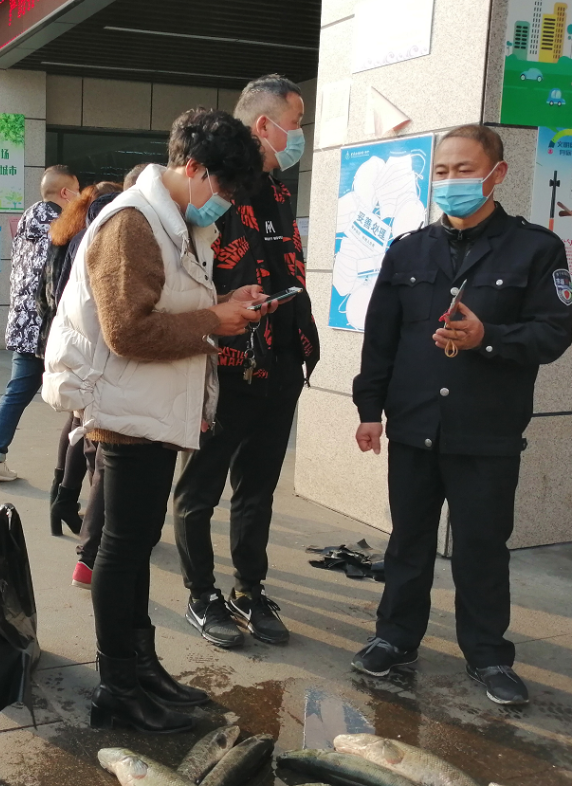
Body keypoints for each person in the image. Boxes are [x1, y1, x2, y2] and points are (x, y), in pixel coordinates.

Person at [44, 108, 268, 733]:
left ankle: (141, 670)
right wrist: (215, 320)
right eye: (223, 187)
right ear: (193, 167)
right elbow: (128, 330)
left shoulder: (173, 221)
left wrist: (223, 304)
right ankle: (118, 687)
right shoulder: (133, 222)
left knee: (135, 544)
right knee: (122, 548)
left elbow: (168, 304)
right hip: (128, 412)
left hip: (150, 407)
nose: (225, 202)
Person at [352, 125, 572, 706]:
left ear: (497, 174)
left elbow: (554, 332)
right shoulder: (408, 249)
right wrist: (369, 409)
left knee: (482, 547)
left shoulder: (537, 249)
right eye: (442, 171)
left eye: (465, 170)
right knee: (408, 541)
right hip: (414, 424)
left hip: (487, 429)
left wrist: (487, 337)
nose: (451, 181)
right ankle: (394, 637)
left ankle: (488, 655)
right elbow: (381, 339)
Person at [173, 75, 321, 648]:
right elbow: (180, 284)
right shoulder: (210, 186)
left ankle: (249, 589)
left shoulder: (278, 190)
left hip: (282, 358)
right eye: (296, 122)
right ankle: (201, 593)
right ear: (265, 125)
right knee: (200, 489)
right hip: (224, 363)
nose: (300, 135)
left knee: (258, 487)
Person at [0, 165, 80, 481]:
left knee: (17, 392)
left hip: (24, 325)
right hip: (50, 328)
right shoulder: (63, 228)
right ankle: (84, 469)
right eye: (77, 191)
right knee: (83, 397)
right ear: (66, 193)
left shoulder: (27, 221)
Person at [36, 181, 122, 536]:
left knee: (75, 422)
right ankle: (82, 509)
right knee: (90, 433)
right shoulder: (93, 238)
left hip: (64, 337)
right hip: (86, 344)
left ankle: (62, 499)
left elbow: (48, 293)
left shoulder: (66, 234)